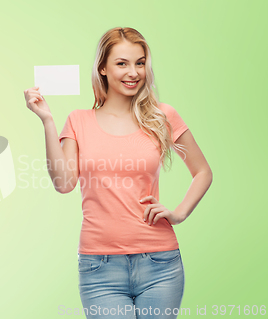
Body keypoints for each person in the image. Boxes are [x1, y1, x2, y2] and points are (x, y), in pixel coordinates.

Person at [23, 27, 213, 319]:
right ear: (103, 68)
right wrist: (47, 121)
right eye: (122, 63)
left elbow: (202, 172)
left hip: (160, 263)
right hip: (99, 267)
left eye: (139, 63)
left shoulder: (162, 116)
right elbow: (63, 184)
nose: (133, 72)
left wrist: (179, 213)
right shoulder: (78, 121)